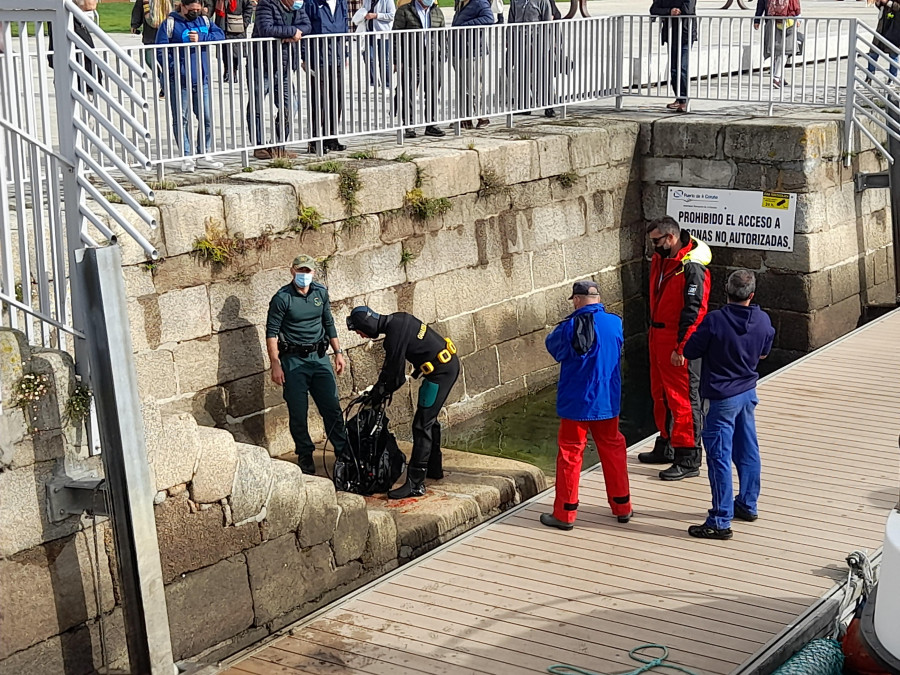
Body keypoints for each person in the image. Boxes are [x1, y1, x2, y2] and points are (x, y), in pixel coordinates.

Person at [683, 270, 775, 540]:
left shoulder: (714, 321)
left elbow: (690, 351)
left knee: (719, 457)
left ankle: (720, 520)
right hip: (747, 393)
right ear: (752, 295)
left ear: (727, 291)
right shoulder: (763, 320)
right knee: (748, 450)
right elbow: (764, 353)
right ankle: (747, 503)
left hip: (720, 398)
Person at [540, 281, 633, 531]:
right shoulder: (615, 322)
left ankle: (565, 513)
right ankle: (622, 507)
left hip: (577, 402)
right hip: (606, 400)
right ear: (598, 298)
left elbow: (553, 347)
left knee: (571, 454)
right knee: (613, 449)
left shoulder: (569, 327)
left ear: (578, 300)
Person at [346, 307, 460, 499]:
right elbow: (392, 371)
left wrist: (377, 394)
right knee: (429, 420)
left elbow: (395, 377)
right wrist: (380, 390)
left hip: (441, 374)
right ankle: (434, 469)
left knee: (422, 425)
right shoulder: (398, 319)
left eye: (359, 330)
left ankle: (415, 484)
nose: (360, 335)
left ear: (366, 325)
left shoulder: (394, 335)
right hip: (443, 368)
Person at [638, 216, 710, 480]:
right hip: (658, 335)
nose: (653, 246)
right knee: (661, 395)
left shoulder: (691, 268)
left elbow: (695, 311)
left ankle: (688, 456)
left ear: (670, 238)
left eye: (656, 241)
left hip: (677, 340)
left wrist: (682, 347)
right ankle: (667, 443)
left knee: (684, 399)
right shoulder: (663, 260)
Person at [265, 254, 351, 475]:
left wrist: (338, 353)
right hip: (293, 360)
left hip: (319, 357)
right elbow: (272, 332)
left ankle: (342, 451)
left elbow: (328, 322)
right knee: (298, 411)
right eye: (300, 271)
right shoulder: (282, 298)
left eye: (308, 271)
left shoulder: (320, 293)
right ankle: (304, 454)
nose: (304, 275)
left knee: (331, 406)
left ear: (313, 272)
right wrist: (275, 364)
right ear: (292, 271)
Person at [156, 0, 226, 172]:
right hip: (180, 81)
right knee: (182, 119)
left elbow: (220, 35)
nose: (195, 12)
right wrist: (174, 69)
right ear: (183, 6)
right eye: (192, 9)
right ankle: (186, 155)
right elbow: (160, 50)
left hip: (202, 79)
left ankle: (203, 153)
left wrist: (201, 38)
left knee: (207, 118)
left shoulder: (205, 21)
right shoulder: (170, 24)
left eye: (198, 9)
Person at [247, 0, 311, 160]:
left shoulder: (298, 7)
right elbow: (266, 29)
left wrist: (293, 33)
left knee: (291, 106)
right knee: (257, 106)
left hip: (285, 66)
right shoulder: (266, 5)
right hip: (262, 65)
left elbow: (307, 25)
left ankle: (277, 145)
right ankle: (259, 146)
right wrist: (292, 32)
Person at [392, 0, 446, 138]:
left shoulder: (437, 11)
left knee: (433, 91)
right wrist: (397, 60)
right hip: (411, 58)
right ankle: (409, 126)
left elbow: (442, 35)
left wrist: (442, 54)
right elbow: (396, 36)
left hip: (432, 59)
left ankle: (432, 124)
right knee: (409, 91)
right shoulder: (404, 11)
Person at [305, 0, 350, 153]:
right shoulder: (311, 3)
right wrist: (305, 58)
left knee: (337, 99)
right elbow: (306, 28)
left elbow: (345, 27)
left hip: (336, 56)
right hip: (318, 58)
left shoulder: (341, 3)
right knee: (319, 101)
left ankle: (331, 137)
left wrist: (346, 54)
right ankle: (315, 140)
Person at [507, 0, 555, 118]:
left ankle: (549, 105)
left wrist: (548, 46)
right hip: (519, 41)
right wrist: (509, 41)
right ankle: (524, 105)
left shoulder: (543, 2)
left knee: (542, 74)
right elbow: (511, 22)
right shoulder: (515, 1)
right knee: (521, 73)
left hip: (538, 41)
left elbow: (547, 23)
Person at [451, 0, 494, 129]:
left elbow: (489, 18)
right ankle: (465, 118)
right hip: (459, 51)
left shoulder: (479, 2)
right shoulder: (460, 3)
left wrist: (466, 26)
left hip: (473, 52)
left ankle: (482, 117)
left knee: (474, 87)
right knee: (463, 87)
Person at [649, 0, 696, 113]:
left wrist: (670, 10)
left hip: (685, 33)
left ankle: (684, 100)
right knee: (674, 69)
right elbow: (654, 9)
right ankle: (679, 98)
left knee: (682, 68)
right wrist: (670, 11)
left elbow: (687, 9)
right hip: (671, 34)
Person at [753, 0, 801, 89]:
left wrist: (757, 19)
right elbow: (796, 5)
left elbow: (761, 4)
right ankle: (776, 77)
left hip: (771, 21)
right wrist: (798, 18)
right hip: (788, 22)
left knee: (777, 51)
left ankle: (779, 76)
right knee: (785, 51)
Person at [213, 0, 254, 82]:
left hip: (237, 26)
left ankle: (234, 70)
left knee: (236, 52)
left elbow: (249, 7)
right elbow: (211, 5)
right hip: (222, 25)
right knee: (224, 50)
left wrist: (245, 23)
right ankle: (227, 70)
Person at [131, 0, 174, 76]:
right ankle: (161, 77)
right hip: (150, 33)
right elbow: (138, 9)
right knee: (149, 59)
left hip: (166, 33)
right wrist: (135, 24)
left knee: (166, 60)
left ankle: (168, 80)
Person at [360, 0, 396, 88]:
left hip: (383, 33)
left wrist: (376, 15)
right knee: (369, 57)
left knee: (383, 59)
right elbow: (363, 10)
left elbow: (392, 15)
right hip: (369, 31)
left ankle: (387, 84)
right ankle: (373, 82)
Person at [864, 0, 900, 84]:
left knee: (893, 55)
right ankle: (869, 77)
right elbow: (880, 8)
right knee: (873, 54)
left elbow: (898, 7)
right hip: (881, 29)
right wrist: (878, 3)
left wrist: (887, 2)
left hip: (894, 31)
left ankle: (892, 79)